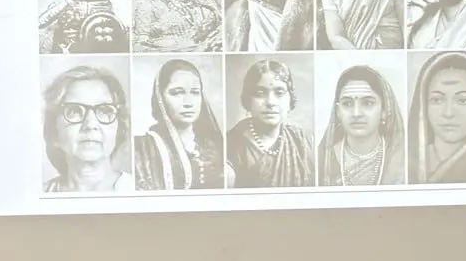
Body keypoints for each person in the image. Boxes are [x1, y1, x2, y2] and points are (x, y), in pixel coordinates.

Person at [134, 58, 230, 190]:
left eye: (195, 92)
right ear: (160, 97)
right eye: (177, 93)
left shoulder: (214, 146)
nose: (188, 103)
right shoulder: (144, 149)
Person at [41, 63, 133, 193]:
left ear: (119, 129)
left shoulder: (138, 189)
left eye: (104, 111)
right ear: (54, 129)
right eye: (74, 111)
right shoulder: (41, 193)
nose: (90, 125)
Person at [225, 59, 315, 188]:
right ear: (248, 100)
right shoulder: (232, 144)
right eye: (260, 93)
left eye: (279, 93)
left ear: (290, 99)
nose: (271, 102)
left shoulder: (302, 140)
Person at [407, 51, 466, 184]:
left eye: (462, 100)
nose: (448, 113)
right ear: (423, 106)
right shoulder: (406, 163)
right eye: (437, 100)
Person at [317, 65, 406, 187]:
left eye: (368, 103)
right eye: (347, 104)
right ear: (338, 112)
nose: (356, 114)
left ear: (385, 111)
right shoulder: (321, 161)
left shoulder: (401, 159)